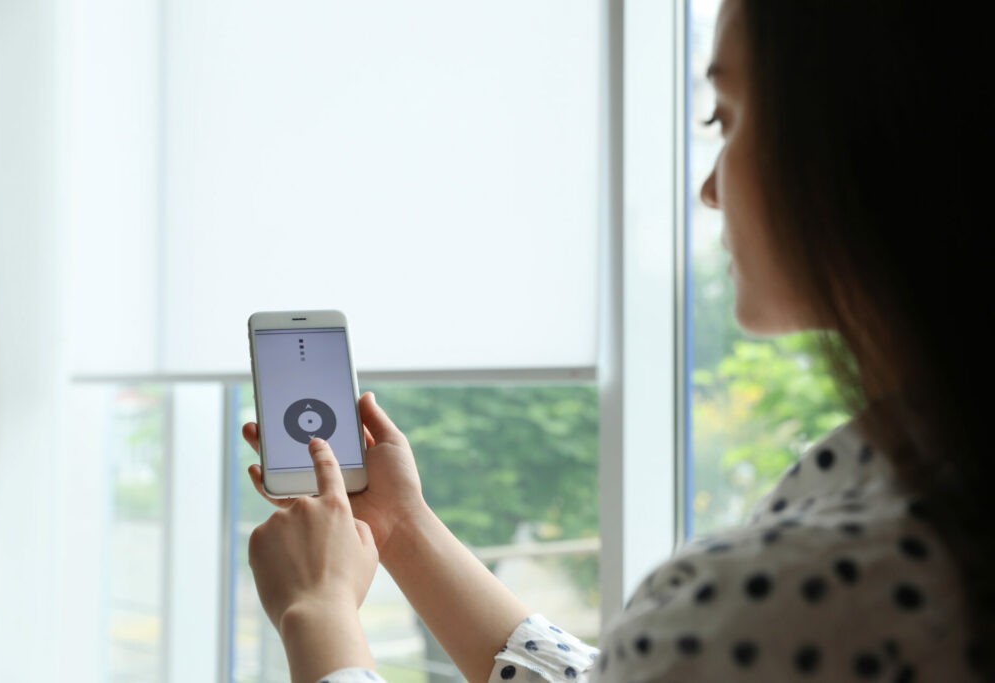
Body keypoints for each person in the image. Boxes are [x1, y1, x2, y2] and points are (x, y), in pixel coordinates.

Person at [241, 0, 994, 680]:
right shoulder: (912, 510)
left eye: (723, 119)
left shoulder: (819, 585)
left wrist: (320, 615)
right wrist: (401, 527)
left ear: (867, 138)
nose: (708, 187)